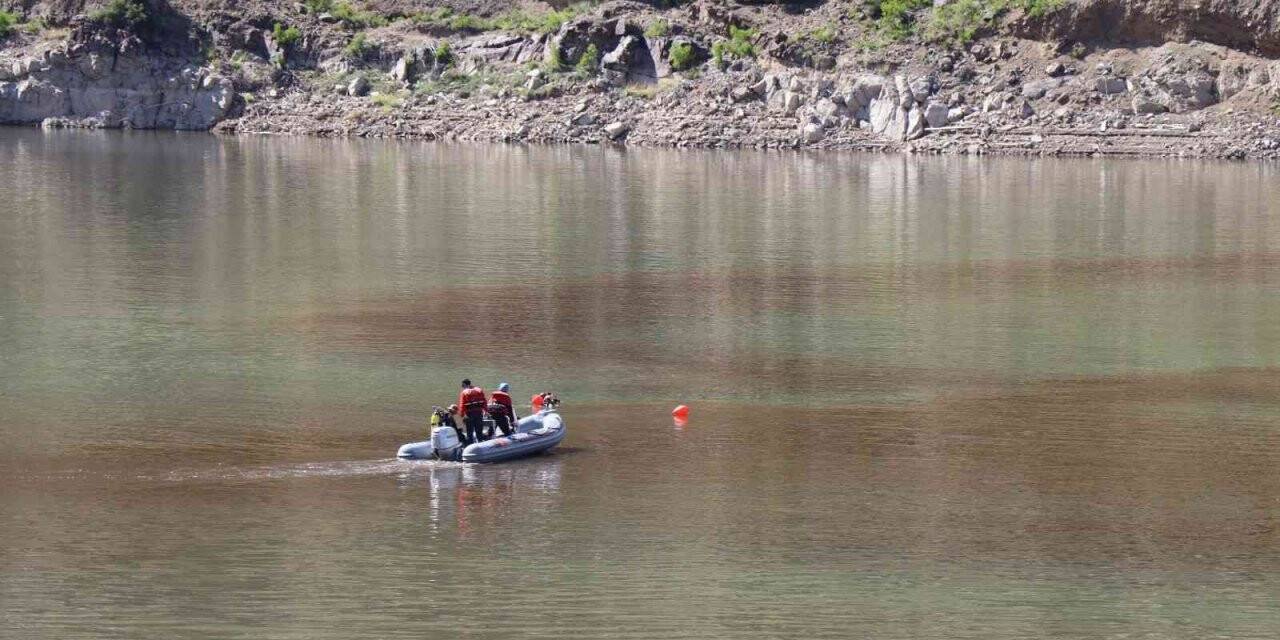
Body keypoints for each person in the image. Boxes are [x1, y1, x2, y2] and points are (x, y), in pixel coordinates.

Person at [458, 379, 488, 444]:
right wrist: (486, 410)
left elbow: (462, 405)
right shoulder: (479, 390)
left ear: (465, 385)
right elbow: (484, 401)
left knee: (469, 431)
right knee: (479, 429)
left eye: (462, 385)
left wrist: (462, 415)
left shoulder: (464, 392)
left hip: (469, 414)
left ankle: (470, 444)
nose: (462, 387)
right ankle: (480, 441)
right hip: (479, 413)